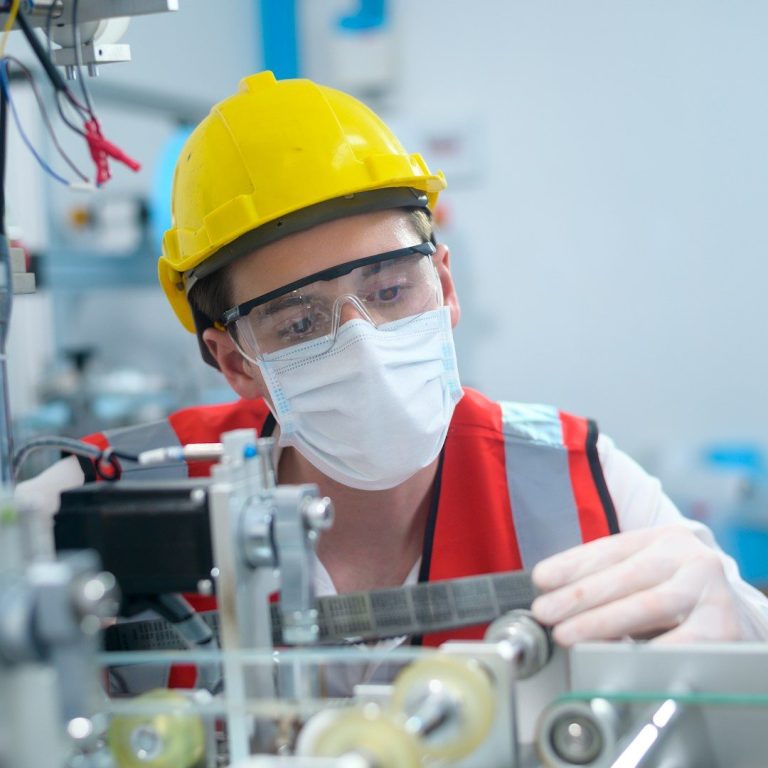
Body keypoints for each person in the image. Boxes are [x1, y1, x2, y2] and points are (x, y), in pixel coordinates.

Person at [19, 71, 768, 649]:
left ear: (445, 284)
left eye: (388, 290)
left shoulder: (580, 482)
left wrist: (735, 625)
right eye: (299, 322)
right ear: (234, 361)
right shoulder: (100, 499)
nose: (364, 344)